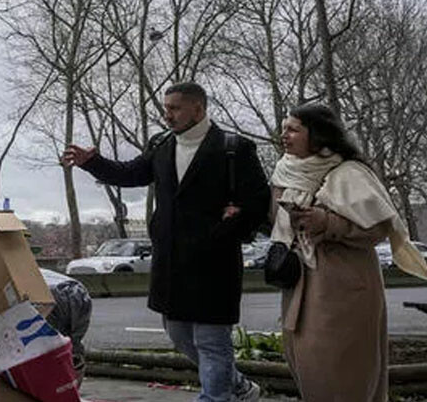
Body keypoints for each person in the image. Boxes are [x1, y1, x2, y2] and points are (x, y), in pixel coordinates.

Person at [62, 82, 270, 402]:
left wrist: (227, 229)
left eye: (174, 108)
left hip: (215, 262)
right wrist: (93, 162)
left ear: (197, 109)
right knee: (179, 335)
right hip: (171, 262)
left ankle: (217, 396)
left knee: (212, 341)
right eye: (166, 108)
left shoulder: (234, 147)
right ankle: (238, 386)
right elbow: (131, 174)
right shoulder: (161, 144)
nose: (167, 115)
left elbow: (258, 201)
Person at [272, 103, 427, 402]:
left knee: (343, 373)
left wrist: (327, 221)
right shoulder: (286, 172)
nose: (284, 136)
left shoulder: (350, 173)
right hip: (298, 285)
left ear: (317, 136)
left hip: (342, 288)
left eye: (292, 129)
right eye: (283, 129)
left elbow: (378, 227)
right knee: (306, 367)